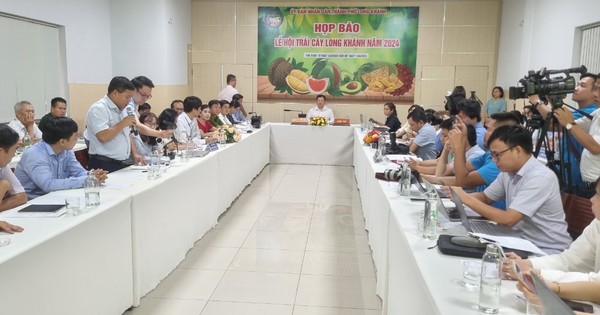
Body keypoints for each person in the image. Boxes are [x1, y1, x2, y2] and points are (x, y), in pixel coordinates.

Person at [450, 125, 572, 253]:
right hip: (518, 240)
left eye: (497, 155)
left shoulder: (540, 177)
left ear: (517, 151)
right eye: (492, 155)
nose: (494, 160)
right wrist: (459, 197)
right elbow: (485, 197)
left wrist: (466, 198)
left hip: (544, 250)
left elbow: (508, 219)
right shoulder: (508, 172)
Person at [506, 176, 600, 309]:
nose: (591, 200)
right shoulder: (598, 224)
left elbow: (596, 284)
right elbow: (570, 261)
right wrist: (527, 265)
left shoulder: (541, 177)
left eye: (597, 195)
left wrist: (548, 283)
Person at [422, 112, 521, 210]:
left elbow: (462, 180)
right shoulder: (488, 155)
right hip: (480, 211)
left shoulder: (497, 164)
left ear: (501, 134)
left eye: (488, 129)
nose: (484, 133)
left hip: (491, 217)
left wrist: (459, 147)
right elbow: (456, 172)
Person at [537, 73, 599, 196]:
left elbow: (595, 147)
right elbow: (557, 122)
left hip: (585, 181)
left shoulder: (590, 111)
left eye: (582, 85)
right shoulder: (597, 113)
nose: (596, 94)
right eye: (596, 88)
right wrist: (552, 98)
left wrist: (537, 102)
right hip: (582, 180)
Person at [15, 117, 108, 199]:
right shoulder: (34, 155)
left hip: (55, 196)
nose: (77, 139)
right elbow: (48, 185)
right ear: (62, 141)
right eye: (75, 137)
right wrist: (86, 180)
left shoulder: (66, 150)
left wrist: (92, 175)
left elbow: (78, 171)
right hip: (33, 202)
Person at [85, 76, 138, 172]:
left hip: (121, 163)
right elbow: (103, 137)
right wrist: (123, 123)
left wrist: (135, 154)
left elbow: (127, 134)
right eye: (127, 97)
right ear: (115, 93)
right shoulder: (99, 109)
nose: (129, 100)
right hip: (103, 164)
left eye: (131, 97)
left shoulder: (123, 109)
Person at [411, 120, 484, 179]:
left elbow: (440, 174)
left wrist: (418, 168)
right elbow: (439, 170)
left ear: (465, 140)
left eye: (451, 138)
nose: (448, 141)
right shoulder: (461, 152)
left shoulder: (476, 155)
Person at [0, 125, 27, 211]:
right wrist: (4, 185)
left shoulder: (3, 166)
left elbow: (22, 196)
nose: (14, 154)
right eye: (14, 150)